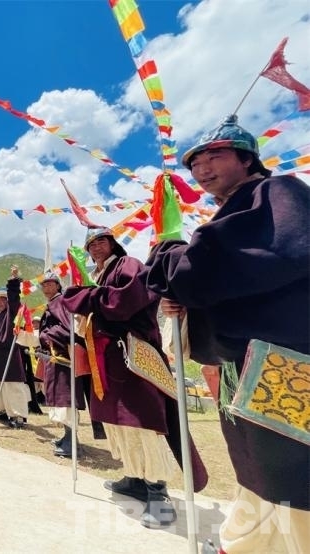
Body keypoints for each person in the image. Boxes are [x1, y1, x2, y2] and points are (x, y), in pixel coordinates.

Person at [144, 115, 309, 552]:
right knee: (256, 471)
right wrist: (187, 303)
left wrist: (168, 250)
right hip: (244, 366)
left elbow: (217, 270)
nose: (201, 169)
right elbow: (218, 282)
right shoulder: (236, 211)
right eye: (194, 163)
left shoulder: (278, 194)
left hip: (285, 365)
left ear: (247, 158)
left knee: (294, 479)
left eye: (214, 156)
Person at [60, 227, 208, 528]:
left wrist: (85, 297)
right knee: (117, 423)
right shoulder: (96, 277)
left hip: (132, 356)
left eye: (101, 240)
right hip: (105, 361)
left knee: (143, 422)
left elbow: (124, 303)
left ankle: (158, 491)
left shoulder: (127, 265)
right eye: (91, 244)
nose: (95, 247)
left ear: (113, 243)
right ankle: (135, 477)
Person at [37, 270, 99, 458]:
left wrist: (46, 335)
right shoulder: (53, 303)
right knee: (60, 399)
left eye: (50, 283)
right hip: (56, 358)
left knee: (66, 400)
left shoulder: (60, 302)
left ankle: (72, 443)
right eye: (44, 284)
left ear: (58, 285)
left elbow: (69, 329)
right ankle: (67, 437)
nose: (46, 287)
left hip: (64, 360)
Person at [0, 266, 31, 429]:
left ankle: (17, 415)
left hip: (9, 356)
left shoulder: (11, 314)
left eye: (3, 300)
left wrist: (13, 281)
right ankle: (1, 411)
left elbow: (14, 300)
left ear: (7, 301)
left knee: (12, 386)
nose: (0, 303)